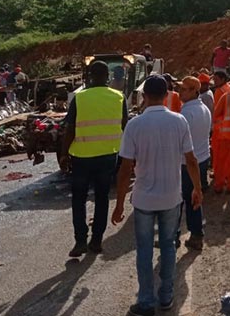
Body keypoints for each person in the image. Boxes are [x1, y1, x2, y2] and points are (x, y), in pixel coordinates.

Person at [112, 75, 203, 316]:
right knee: (168, 247)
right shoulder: (179, 121)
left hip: (143, 199)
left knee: (144, 250)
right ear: (166, 95)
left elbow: (125, 170)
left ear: (143, 97)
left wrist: (119, 204)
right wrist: (198, 188)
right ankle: (166, 297)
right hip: (171, 198)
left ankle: (145, 302)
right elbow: (191, 160)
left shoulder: (134, 125)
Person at [61, 60, 128, 257]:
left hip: (82, 156)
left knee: (79, 199)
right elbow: (126, 125)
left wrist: (64, 154)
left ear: (90, 76)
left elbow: (70, 128)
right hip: (108, 155)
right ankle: (96, 240)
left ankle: (80, 240)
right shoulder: (119, 97)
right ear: (108, 76)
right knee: (102, 198)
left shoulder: (80, 98)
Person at [177, 76, 212, 250]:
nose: (179, 92)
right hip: (202, 158)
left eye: (183, 89)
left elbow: (179, 142)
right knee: (194, 197)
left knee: (179, 200)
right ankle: (195, 234)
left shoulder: (186, 113)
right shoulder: (203, 109)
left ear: (194, 91)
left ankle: (174, 236)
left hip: (188, 163)